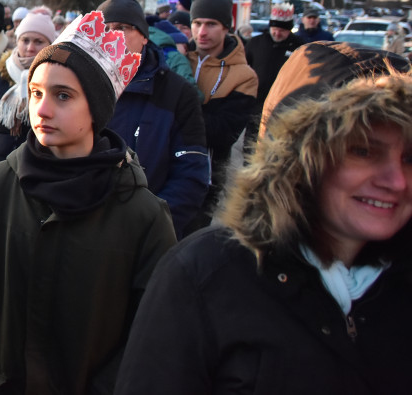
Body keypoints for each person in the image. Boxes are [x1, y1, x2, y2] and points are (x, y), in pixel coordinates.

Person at [116, 42, 412, 395]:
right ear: (298, 157)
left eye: (410, 157)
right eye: (363, 150)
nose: (396, 180)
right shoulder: (204, 276)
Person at [0, 11, 177, 395]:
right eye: (36, 93)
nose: (42, 110)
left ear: (95, 108)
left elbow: (155, 332)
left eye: (63, 96)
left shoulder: (142, 215)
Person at [99, 0, 209, 238]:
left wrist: (151, 227)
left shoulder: (177, 93)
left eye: (122, 27)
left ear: (144, 37)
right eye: (104, 29)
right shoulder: (81, 86)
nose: (112, 35)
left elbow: (191, 174)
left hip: (150, 235)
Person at [185, 0, 258, 231]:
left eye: (211, 24)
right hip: (161, 165)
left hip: (207, 176)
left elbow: (223, 133)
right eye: (197, 23)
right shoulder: (178, 58)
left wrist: (177, 110)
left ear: (227, 27)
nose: (202, 32)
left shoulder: (243, 76)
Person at [0, 10, 57, 163]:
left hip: (38, 167)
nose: (30, 48)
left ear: (50, 45)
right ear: (17, 41)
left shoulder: (57, 81)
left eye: (38, 41)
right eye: (25, 40)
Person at [244, 1, 303, 141]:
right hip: (257, 106)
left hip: (286, 108)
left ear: (289, 30)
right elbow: (244, 70)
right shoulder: (256, 43)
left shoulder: (299, 47)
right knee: (251, 147)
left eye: (282, 30)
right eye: (274, 29)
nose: (277, 33)